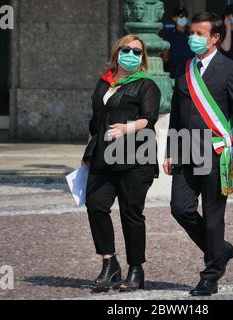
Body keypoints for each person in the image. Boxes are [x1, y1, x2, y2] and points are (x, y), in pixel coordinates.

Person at [163, 12, 233, 296]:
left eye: (200, 34)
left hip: (216, 152)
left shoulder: (231, 69)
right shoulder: (185, 67)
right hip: (186, 149)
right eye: (192, 32)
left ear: (214, 38)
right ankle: (220, 249)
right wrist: (170, 151)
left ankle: (211, 274)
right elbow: (177, 115)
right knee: (181, 209)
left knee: (213, 216)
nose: (193, 38)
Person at [81, 34, 161, 292]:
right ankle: (109, 262)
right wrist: (86, 153)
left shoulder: (146, 84)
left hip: (136, 157)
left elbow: (150, 118)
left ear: (143, 58)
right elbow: (95, 121)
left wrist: (127, 128)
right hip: (103, 155)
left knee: (131, 213)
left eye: (138, 52)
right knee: (95, 205)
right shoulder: (103, 82)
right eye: (127, 50)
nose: (132, 55)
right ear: (117, 52)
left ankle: (136, 268)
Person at [162, 6, 195, 79]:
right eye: (180, 16)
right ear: (174, 18)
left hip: (190, 71)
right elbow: (165, 56)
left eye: (185, 16)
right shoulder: (168, 34)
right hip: (174, 72)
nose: (183, 18)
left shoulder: (192, 32)